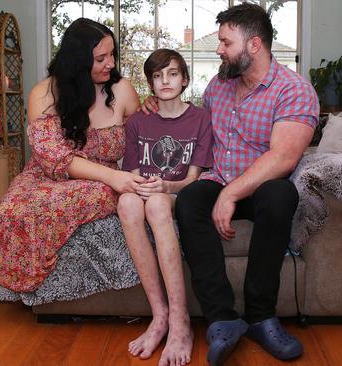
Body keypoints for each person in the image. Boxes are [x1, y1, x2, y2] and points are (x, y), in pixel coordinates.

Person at [143, 3, 319, 365]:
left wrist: (231, 193)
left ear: (254, 45)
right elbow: (193, 126)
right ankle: (221, 318)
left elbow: (283, 158)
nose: (218, 49)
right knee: (191, 200)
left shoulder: (294, 90)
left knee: (281, 194)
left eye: (225, 42)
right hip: (219, 177)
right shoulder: (218, 86)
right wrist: (157, 109)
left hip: (262, 186)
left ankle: (260, 316)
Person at [0, 18, 142, 312]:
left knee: (93, 195)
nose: (110, 63)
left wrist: (153, 109)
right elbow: (56, 158)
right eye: (100, 58)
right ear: (76, 61)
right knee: (11, 211)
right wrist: (114, 176)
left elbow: (144, 134)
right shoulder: (43, 94)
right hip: (48, 174)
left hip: (100, 181)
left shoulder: (122, 90)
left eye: (112, 55)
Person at [118, 49, 213, 366]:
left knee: (158, 204)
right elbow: (133, 175)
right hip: (146, 190)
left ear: (184, 79)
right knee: (127, 202)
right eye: (157, 76)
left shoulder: (200, 119)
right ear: (150, 84)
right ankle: (159, 316)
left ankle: (180, 320)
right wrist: (145, 187)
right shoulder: (136, 123)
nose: (165, 81)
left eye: (172, 73)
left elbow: (192, 181)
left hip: (175, 192)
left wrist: (164, 187)